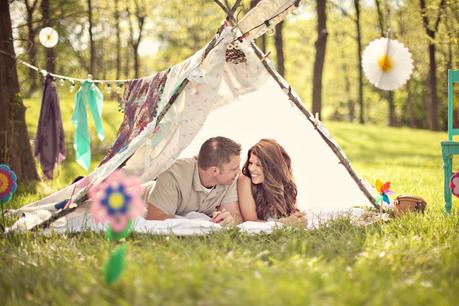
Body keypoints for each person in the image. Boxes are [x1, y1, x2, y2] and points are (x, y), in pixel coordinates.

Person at [144, 136, 242, 225]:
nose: (239, 172)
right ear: (214, 171)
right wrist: (198, 225)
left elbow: (235, 215)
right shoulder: (173, 175)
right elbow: (155, 219)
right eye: (234, 169)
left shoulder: (229, 180)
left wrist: (229, 220)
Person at [237, 139, 305, 225]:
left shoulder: (284, 182)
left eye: (258, 165)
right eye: (250, 163)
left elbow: (295, 211)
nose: (251, 168)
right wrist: (283, 223)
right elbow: (250, 223)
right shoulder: (245, 180)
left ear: (272, 167)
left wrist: (298, 219)